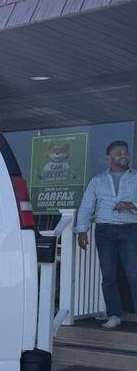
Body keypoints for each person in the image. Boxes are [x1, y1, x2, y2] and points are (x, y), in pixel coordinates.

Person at [75, 140, 137, 329]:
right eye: (118, 152)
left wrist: (131, 205)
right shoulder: (98, 180)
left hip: (129, 229)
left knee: (133, 274)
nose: (123, 155)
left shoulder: (135, 177)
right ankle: (114, 315)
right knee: (109, 275)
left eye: (125, 152)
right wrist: (82, 229)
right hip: (104, 231)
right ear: (109, 157)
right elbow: (87, 206)